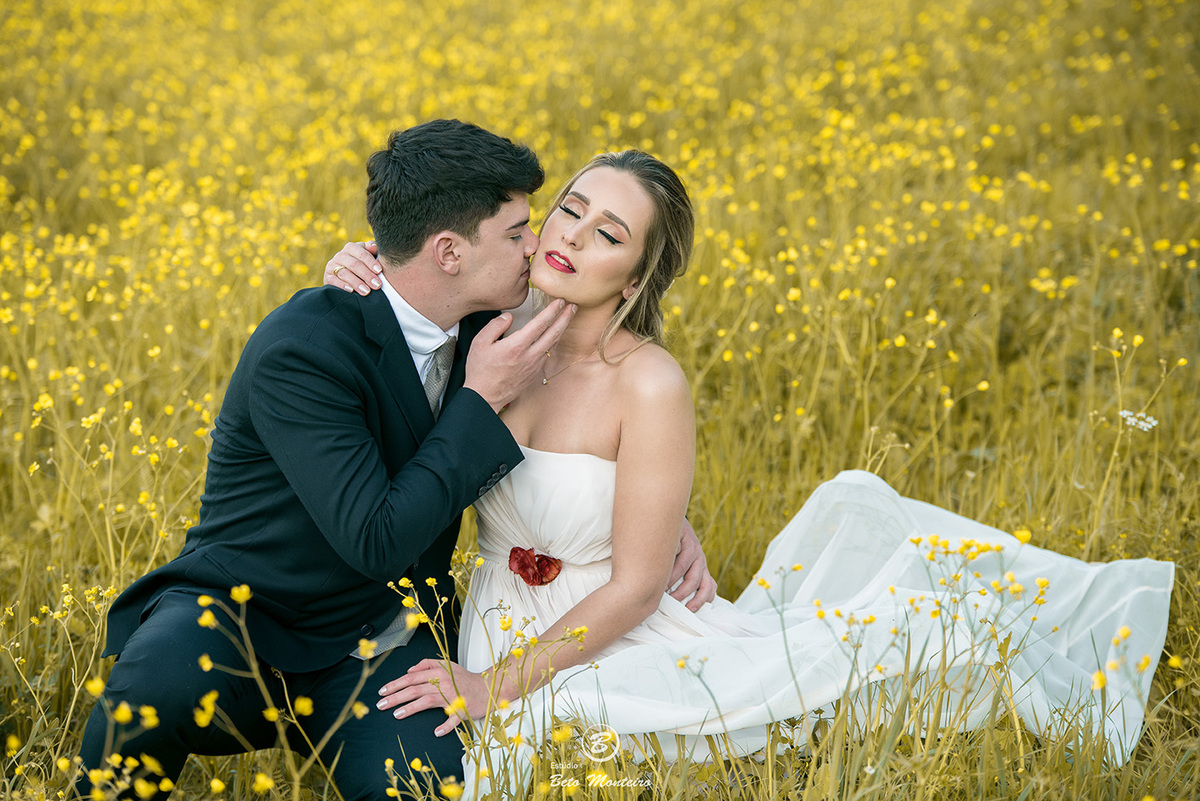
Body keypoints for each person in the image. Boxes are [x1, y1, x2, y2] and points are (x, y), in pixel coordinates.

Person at [324, 150, 1174, 793]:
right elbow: (413, 309)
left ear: (638, 272)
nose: (574, 238)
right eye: (570, 211)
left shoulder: (649, 381)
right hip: (499, 610)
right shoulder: (492, 337)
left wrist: (491, 685)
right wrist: (351, 267)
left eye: (609, 234)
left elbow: (634, 585)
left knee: (612, 732)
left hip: (607, 626)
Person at [76, 121, 714, 801]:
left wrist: (662, 520)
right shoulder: (312, 346)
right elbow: (377, 536)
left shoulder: (493, 319)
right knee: (154, 686)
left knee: (419, 786)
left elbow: (589, 439)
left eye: (600, 230)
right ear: (447, 252)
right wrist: (479, 393)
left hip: (385, 633)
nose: (544, 242)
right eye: (529, 226)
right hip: (244, 615)